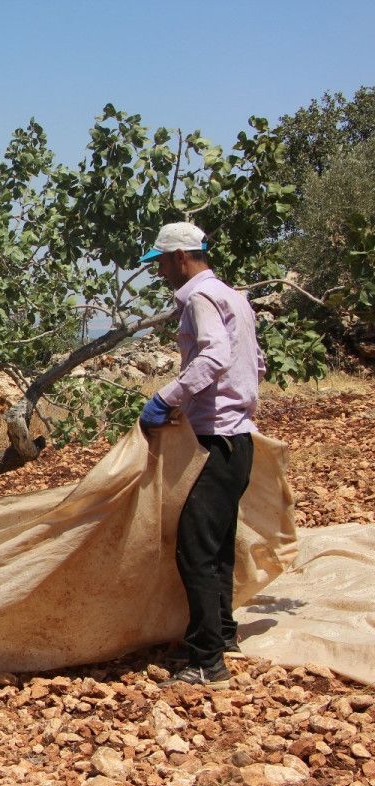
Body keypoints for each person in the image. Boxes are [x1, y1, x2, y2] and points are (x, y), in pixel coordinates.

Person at [138, 221, 266, 689]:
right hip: (239, 440)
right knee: (217, 544)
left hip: (216, 441)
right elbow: (255, 362)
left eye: (162, 263)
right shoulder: (234, 296)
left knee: (195, 549)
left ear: (180, 257)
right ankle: (224, 634)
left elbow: (212, 358)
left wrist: (167, 398)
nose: (160, 272)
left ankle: (207, 662)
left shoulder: (198, 298)